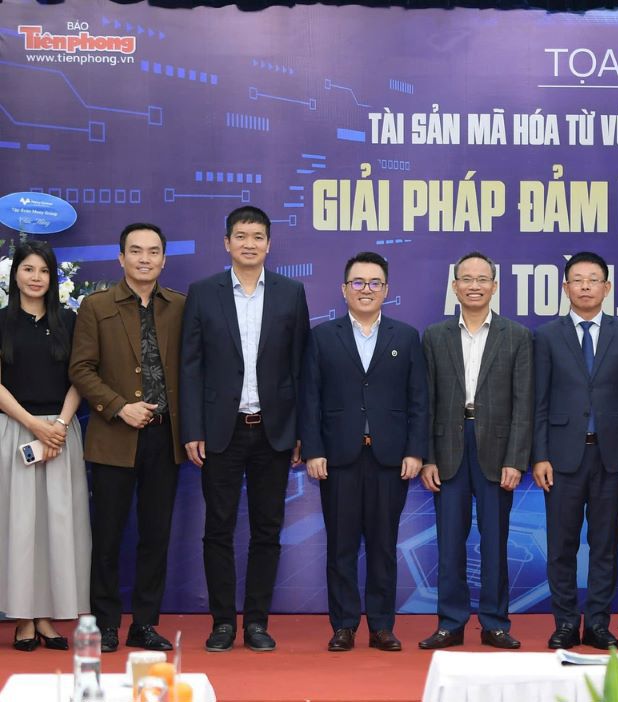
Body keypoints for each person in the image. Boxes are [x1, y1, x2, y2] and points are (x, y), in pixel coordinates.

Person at [180, 206, 310, 652]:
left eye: (257, 237)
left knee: (266, 530)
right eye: (241, 236)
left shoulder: (291, 293)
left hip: (273, 431)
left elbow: (300, 368)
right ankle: (222, 623)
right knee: (217, 529)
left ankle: (256, 622)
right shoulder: (203, 293)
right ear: (227, 243)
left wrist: (300, 431)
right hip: (221, 430)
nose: (249, 244)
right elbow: (190, 367)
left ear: (269, 244)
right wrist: (193, 428)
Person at [299, 251, 427, 652]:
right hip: (338, 458)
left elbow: (419, 400)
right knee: (340, 546)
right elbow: (310, 398)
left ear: (386, 290)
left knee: (383, 546)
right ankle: (343, 625)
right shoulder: (322, 336)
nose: (366, 289)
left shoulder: (405, 337)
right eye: (358, 282)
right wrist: (313, 450)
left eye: (374, 283)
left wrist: (415, 451)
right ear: (344, 289)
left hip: (390, 458)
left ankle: (382, 626)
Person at [70, 224, 186, 653]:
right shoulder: (96, 305)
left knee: (156, 536)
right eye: (135, 251)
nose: (144, 259)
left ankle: (145, 624)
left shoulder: (180, 306)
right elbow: (81, 369)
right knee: (107, 536)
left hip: (165, 438)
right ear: (121, 258)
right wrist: (120, 406)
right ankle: (105, 623)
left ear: (163, 260)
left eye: (153, 252)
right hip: (113, 436)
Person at [532, 251, 618, 650]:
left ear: (606, 287)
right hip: (561, 458)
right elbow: (538, 401)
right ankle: (565, 622)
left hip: (611, 458)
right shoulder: (547, 335)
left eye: (593, 279)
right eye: (577, 280)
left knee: (605, 545)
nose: (585, 286)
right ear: (565, 288)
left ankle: (598, 623)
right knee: (561, 546)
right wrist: (539, 455)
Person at [419, 252, 531, 651]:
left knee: (495, 541)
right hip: (448, 447)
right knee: (449, 542)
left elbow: (523, 403)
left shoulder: (516, 335)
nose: (474, 285)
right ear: (455, 286)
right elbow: (426, 402)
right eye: (466, 278)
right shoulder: (435, 336)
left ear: (495, 286)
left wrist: (516, 459)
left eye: (482, 279)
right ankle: (450, 623)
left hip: (497, 451)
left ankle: (495, 623)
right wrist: (428, 457)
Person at [0, 241, 87, 651]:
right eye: (28, 269)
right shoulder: (2, 322)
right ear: (15, 273)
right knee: (20, 527)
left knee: (58, 527)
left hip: (61, 434)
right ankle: (22, 617)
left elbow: (81, 377)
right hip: (15, 430)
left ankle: (48, 617)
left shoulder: (69, 321)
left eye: (44, 271)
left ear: (53, 277)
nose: (36, 278)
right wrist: (34, 424)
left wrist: (60, 426)